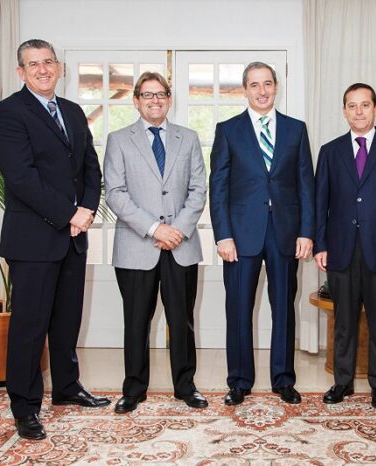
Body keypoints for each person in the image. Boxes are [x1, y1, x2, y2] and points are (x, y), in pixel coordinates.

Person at [0, 39, 109, 441]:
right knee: (29, 326)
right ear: (20, 72)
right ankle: (24, 407)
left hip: (73, 235)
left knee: (66, 321)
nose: (42, 69)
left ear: (59, 68)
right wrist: (69, 213)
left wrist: (87, 211)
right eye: (32, 64)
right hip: (34, 239)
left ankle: (68, 388)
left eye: (48, 62)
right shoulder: (8, 113)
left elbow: (91, 167)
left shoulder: (73, 112)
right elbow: (21, 178)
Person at [209, 62, 315, 406]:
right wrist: (222, 235)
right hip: (240, 236)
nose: (262, 91)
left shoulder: (296, 130)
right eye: (254, 85)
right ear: (245, 90)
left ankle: (283, 380)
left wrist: (306, 231)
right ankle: (239, 381)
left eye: (267, 83)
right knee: (238, 308)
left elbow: (306, 186)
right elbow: (219, 188)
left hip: (285, 233)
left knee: (284, 306)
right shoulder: (228, 131)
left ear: (276, 86)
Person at [104, 71, 208, 413]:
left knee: (182, 321)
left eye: (160, 94)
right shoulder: (119, 140)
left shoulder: (188, 138)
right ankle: (133, 390)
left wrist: (175, 229)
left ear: (169, 98)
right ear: (136, 101)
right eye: (147, 95)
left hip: (181, 245)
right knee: (136, 322)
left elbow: (198, 190)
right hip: (136, 247)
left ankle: (186, 387)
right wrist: (154, 229)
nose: (154, 100)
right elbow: (116, 194)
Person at [314, 83, 376, 408]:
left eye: (365, 105)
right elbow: (320, 204)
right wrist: (320, 245)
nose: (358, 111)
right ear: (344, 110)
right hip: (341, 251)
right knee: (343, 322)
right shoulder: (329, 152)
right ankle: (342, 383)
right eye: (352, 106)